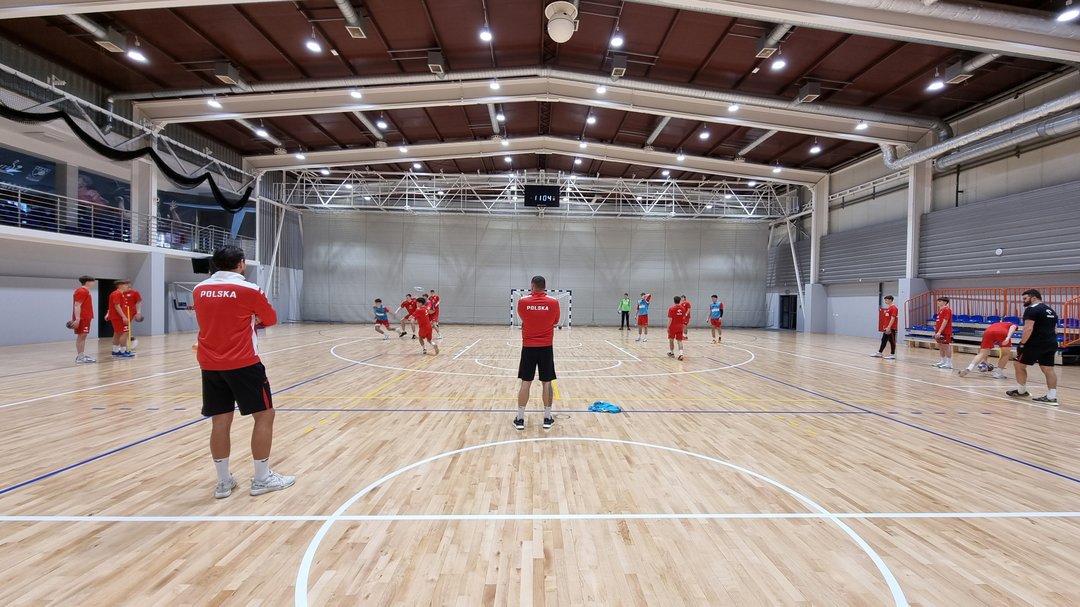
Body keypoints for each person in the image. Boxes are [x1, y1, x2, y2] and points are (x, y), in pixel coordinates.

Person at [194, 245, 294, 499]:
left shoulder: (199, 289)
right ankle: (262, 478)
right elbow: (270, 319)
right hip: (243, 362)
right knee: (264, 415)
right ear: (240, 263)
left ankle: (223, 482)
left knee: (220, 420)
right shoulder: (249, 289)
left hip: (210, 363)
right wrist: (253, 317)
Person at [514, 275, 561, 431]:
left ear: (532, 286)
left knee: (525, 382)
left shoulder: (523, 302)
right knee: (547, 382)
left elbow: (523, 318)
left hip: (528, 346)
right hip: (546, 347)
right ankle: (547, 418)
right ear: (544, 286)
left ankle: (520, 419)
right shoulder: (553, 302)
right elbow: (555, 321)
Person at [1007, 289, 1060, 404]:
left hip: (1034, 343)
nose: (1024, 301)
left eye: (1025, 298)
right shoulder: (1050, 310)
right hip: (1051, 342)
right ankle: (1052, 397)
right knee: (1048, 369)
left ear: (1034, 298)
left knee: (1018, 364)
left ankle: (1021, 391)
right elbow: (1054, 328)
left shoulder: (1031, 309)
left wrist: (1022, 343)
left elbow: (1028, 328)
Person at [105, 280, 140, 358]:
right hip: (118, 317)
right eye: (125, 285)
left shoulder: (120, 294)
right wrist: (124, 317)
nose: (127, 286)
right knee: (124, 333)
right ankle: (123, 351)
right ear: (120, 285)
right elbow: (117, 306)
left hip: (117, 317)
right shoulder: (117, 293)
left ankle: (115, 351)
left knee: (117, 334)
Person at [69, 275, 96, 363]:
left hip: (86, 317)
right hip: (82, 318)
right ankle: (80, 357)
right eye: (92, 281)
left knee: (83, 336)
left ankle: (81, 355)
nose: (93, 283)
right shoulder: (81, 291)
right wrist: (77, 319)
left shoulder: (86, 291)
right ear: (87, 282)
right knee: (81, 336)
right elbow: (77, 305)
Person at [872, 295, 899, 360]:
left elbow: (893, 318)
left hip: (891, 328)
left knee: (892, 341)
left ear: (890, 300)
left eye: (886, 300)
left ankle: (892, 354)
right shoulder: (889, 308)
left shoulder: (894, 308)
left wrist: (889, 327)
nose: (885, 301)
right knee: (883, 340)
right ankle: (879, 352)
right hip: (887, 328)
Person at [931, 296, 953, 369]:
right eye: (938, 301)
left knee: (946, 346)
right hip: (939, 331)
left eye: (940, 301)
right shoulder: (941, 310)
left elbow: (945, 321)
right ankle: (943, 361)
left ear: (945, 302)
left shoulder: (947, 309)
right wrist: (937, 331)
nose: (938, 302)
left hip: (945, 331)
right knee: (940, 346)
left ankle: (949, 363)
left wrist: (939, 332)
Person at [668, 295, 687, 360]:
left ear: (674, 301)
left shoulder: (671, 309)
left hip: (673, 326)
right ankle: (681, 354)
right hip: (680, 327)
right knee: (680, 341)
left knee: (671, 340)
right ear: (680, 301)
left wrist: (668, 327)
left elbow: (670, 319)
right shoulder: (683, 309)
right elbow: (684, 317)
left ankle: (672, 353)